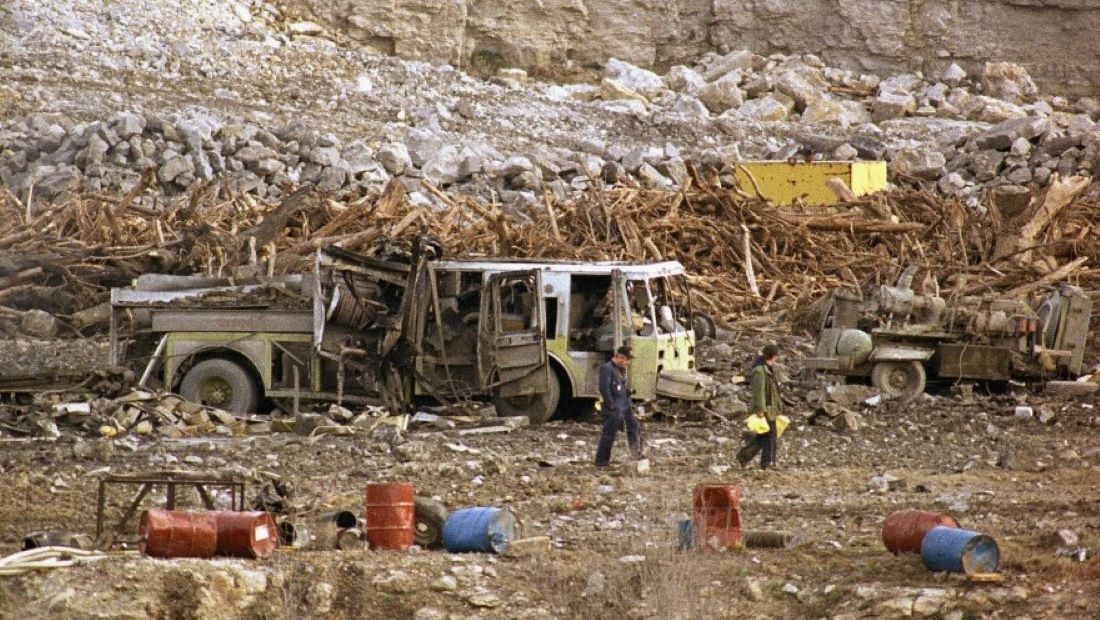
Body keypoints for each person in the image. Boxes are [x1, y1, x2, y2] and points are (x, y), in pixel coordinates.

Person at [594, 345, 643, 468]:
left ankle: (636, 455)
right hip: (614, 408)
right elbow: (604, 388)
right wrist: (611, 405)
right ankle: (601, 462)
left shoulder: (619, 369)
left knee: (634, 427)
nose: (628, 363)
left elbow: (618, 387)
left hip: (625, 406)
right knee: (608, 434)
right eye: (627, 360)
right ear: (620, 357)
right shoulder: (607, 368)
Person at [737, 344, 782, 470]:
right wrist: (760, 409)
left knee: (763, 436)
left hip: (771, 408)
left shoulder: (767, 368)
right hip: (765, 408)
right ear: (773, 356)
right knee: (769, 435)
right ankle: (768, 463)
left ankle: (744, 456)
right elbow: (759, 391)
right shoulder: (760, 371)